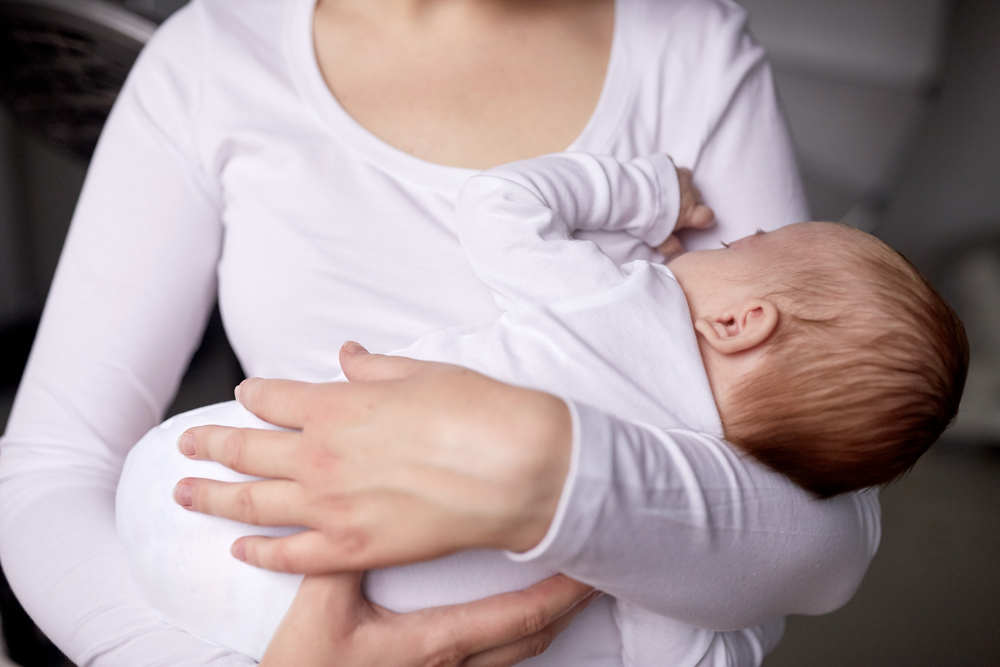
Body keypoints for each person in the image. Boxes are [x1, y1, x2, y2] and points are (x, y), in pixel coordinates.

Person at [0, 0, 883, 665]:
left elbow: (828, 535)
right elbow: (48, 464)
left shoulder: (687, 50)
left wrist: (543, 470)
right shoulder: (214, 58)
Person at [122, 151, 967, 666]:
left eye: (747, 246)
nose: (724, 241)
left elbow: (497, 205)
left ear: (742, 322)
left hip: (202, 482)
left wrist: (644, 195)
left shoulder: (620, 303)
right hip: (288, 626)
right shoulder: (690, 540)